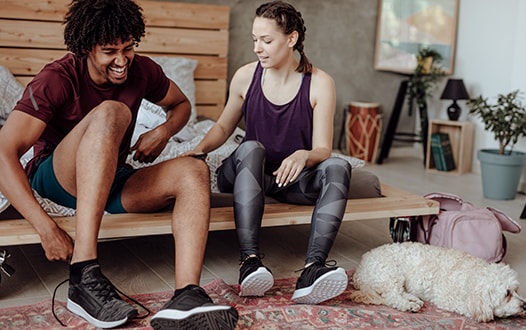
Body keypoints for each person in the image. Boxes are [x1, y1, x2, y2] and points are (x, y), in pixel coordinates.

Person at [0, 0, 238, 329]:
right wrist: (46, 228)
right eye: (110, 51)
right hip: (55, 179)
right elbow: (3, 154)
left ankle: (187, 295)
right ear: (85, 48)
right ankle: (83, 275)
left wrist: (164, 132)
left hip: (112, 176)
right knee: (115, 111)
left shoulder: (142, 70)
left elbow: (181, 105)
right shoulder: (56, 78)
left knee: (194, 170)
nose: (122, 60)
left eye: (128, 48)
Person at [189, 0, 352, 305]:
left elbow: (322, 148)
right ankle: (249, 261)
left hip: (286, 179)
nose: (258, 48)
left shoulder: (320, 83)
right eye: (255, 40)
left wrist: (304, 155)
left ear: (291, 39)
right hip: (245, 173)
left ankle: (312, 269)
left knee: (338, 166)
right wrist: (196, 151)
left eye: (266, 40)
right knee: (252, 147)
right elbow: (224, 128)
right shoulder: (245, 76)